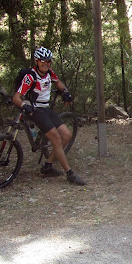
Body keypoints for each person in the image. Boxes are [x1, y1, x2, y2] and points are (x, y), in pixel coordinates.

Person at [13, 47, 86, 185]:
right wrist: (24, 105)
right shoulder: (30, 77)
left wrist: (65, 91)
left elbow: (58, 82)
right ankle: (69, 173)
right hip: (35, 110)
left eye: (48, 61)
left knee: (67, 135)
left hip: (46, 109)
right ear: (36, 61)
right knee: (56, 138)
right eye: (43, 61)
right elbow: (16, 97)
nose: (46, 64)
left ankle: (48, 166)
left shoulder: (49, 73)